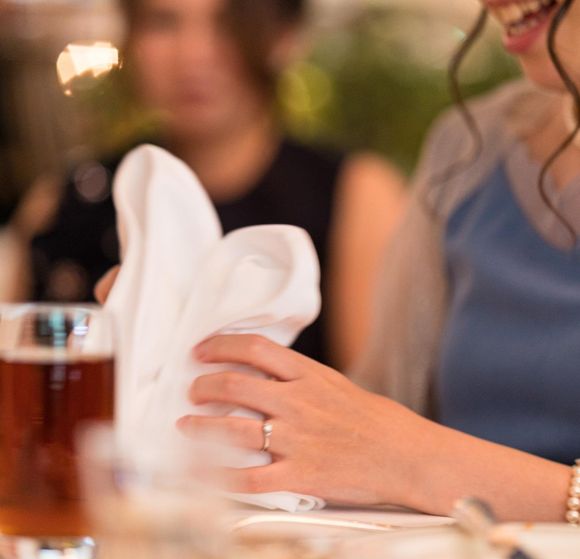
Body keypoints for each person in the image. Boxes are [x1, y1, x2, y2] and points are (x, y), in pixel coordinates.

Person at [166, 0, 580, 521]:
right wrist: (187, 355)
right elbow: (373, 422)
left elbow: (394, 452)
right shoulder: (469, 148)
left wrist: (419, 462)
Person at [22, 0, 406, 370]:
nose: (193, 55)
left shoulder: (356, 196)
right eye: (163, 21)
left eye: (227, 22)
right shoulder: (69, 198)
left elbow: (370, 400)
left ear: (286, 37)